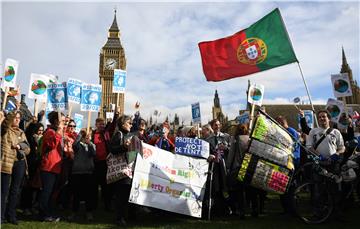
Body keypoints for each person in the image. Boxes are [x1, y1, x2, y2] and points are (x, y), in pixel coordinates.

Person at [1, 111, 30, 225]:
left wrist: (19, 146)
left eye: (19, 118)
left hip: (20, 162)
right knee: (4, 191)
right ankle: (1, 215)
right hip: (7, 163)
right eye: (15, 118)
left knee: (15, 190)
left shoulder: (21, 132)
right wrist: (15, 110)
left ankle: (11, 215)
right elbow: (6, 123)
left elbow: (27, 148)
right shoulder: (5, 130)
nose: (17, 120)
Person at [38, 111, 65, 222]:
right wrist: (58, 132)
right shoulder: (50, 132)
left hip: (56, 167)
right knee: (47, 192)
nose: (65, 123)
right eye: (63, 121)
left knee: (52, 193)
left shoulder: (59, 133)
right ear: (56, 122)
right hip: (48, 166)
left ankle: (49, 213)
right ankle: (43, 214)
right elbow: (51, 145)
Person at [110, 115, 133, 226]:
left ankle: (124, 216)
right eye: (129, 122)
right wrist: (124, 147)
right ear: (123, 123)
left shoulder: (127, 135)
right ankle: (119, 218)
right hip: (121, 170)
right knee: (121, 195)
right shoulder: (118, 134)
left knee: (125, 194)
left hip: (127, 169)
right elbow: (112, 150)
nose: (131, 125)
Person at [205, 119, 231, 216]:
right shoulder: (208, 139)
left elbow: (232, 149)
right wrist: (210, 156)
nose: (218, 126)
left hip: (224, 165)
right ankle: (217, 209)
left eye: (219, 125)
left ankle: (228, 208)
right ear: (212, 126)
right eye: (215, 125)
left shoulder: (226, 137)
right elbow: (206, 153)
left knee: (226, 187)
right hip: (214, 167)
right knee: (216, 187)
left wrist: (226, 148)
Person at [69, 129, 96, 221]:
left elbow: (93, 153)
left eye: (89, 136)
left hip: (88, 172)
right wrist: (80, 134)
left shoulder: (92, 145)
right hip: (77, 172)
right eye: (85, 136)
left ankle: (89, 212)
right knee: (77, 193)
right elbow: (74, 145)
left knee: (88, 194)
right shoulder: (78, 145)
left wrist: (90, 143)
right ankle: (74, 212)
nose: (87, 138)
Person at [92, 115, 118, 211]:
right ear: (96, 125)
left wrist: (116, 115)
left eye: (103, 124)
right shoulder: (92, 134)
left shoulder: (106, 134)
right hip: (95, 163)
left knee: (106, 186)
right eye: (100, 124)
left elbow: (113, 126)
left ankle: (107, 205)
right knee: (94, 186)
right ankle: (93, 206)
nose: (102, 126)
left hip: (105, 163)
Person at [226, 124, 249, 218]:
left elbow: (231, 154)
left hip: (237, 167)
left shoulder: (236, 139)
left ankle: (239, 211)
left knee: (237, 191)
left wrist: (227, 166)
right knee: (246, 190)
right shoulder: (249, 139)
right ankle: (250, 210)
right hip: (247, 167)